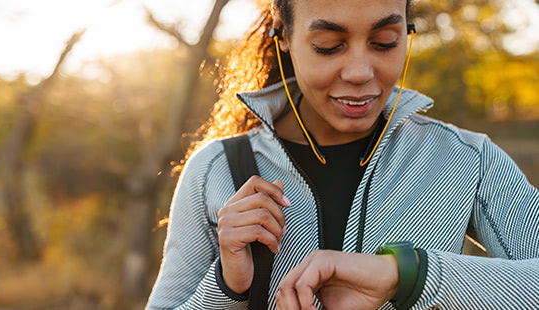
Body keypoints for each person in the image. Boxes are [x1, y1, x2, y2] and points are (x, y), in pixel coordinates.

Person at [146, 0, 539, 309]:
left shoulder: (468, 159)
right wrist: (228, 286)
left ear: (408, 31)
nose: (359, 72)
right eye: (329, 47)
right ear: (283, 35)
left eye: (385, 41)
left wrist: (408, 276)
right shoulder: (215, 169)